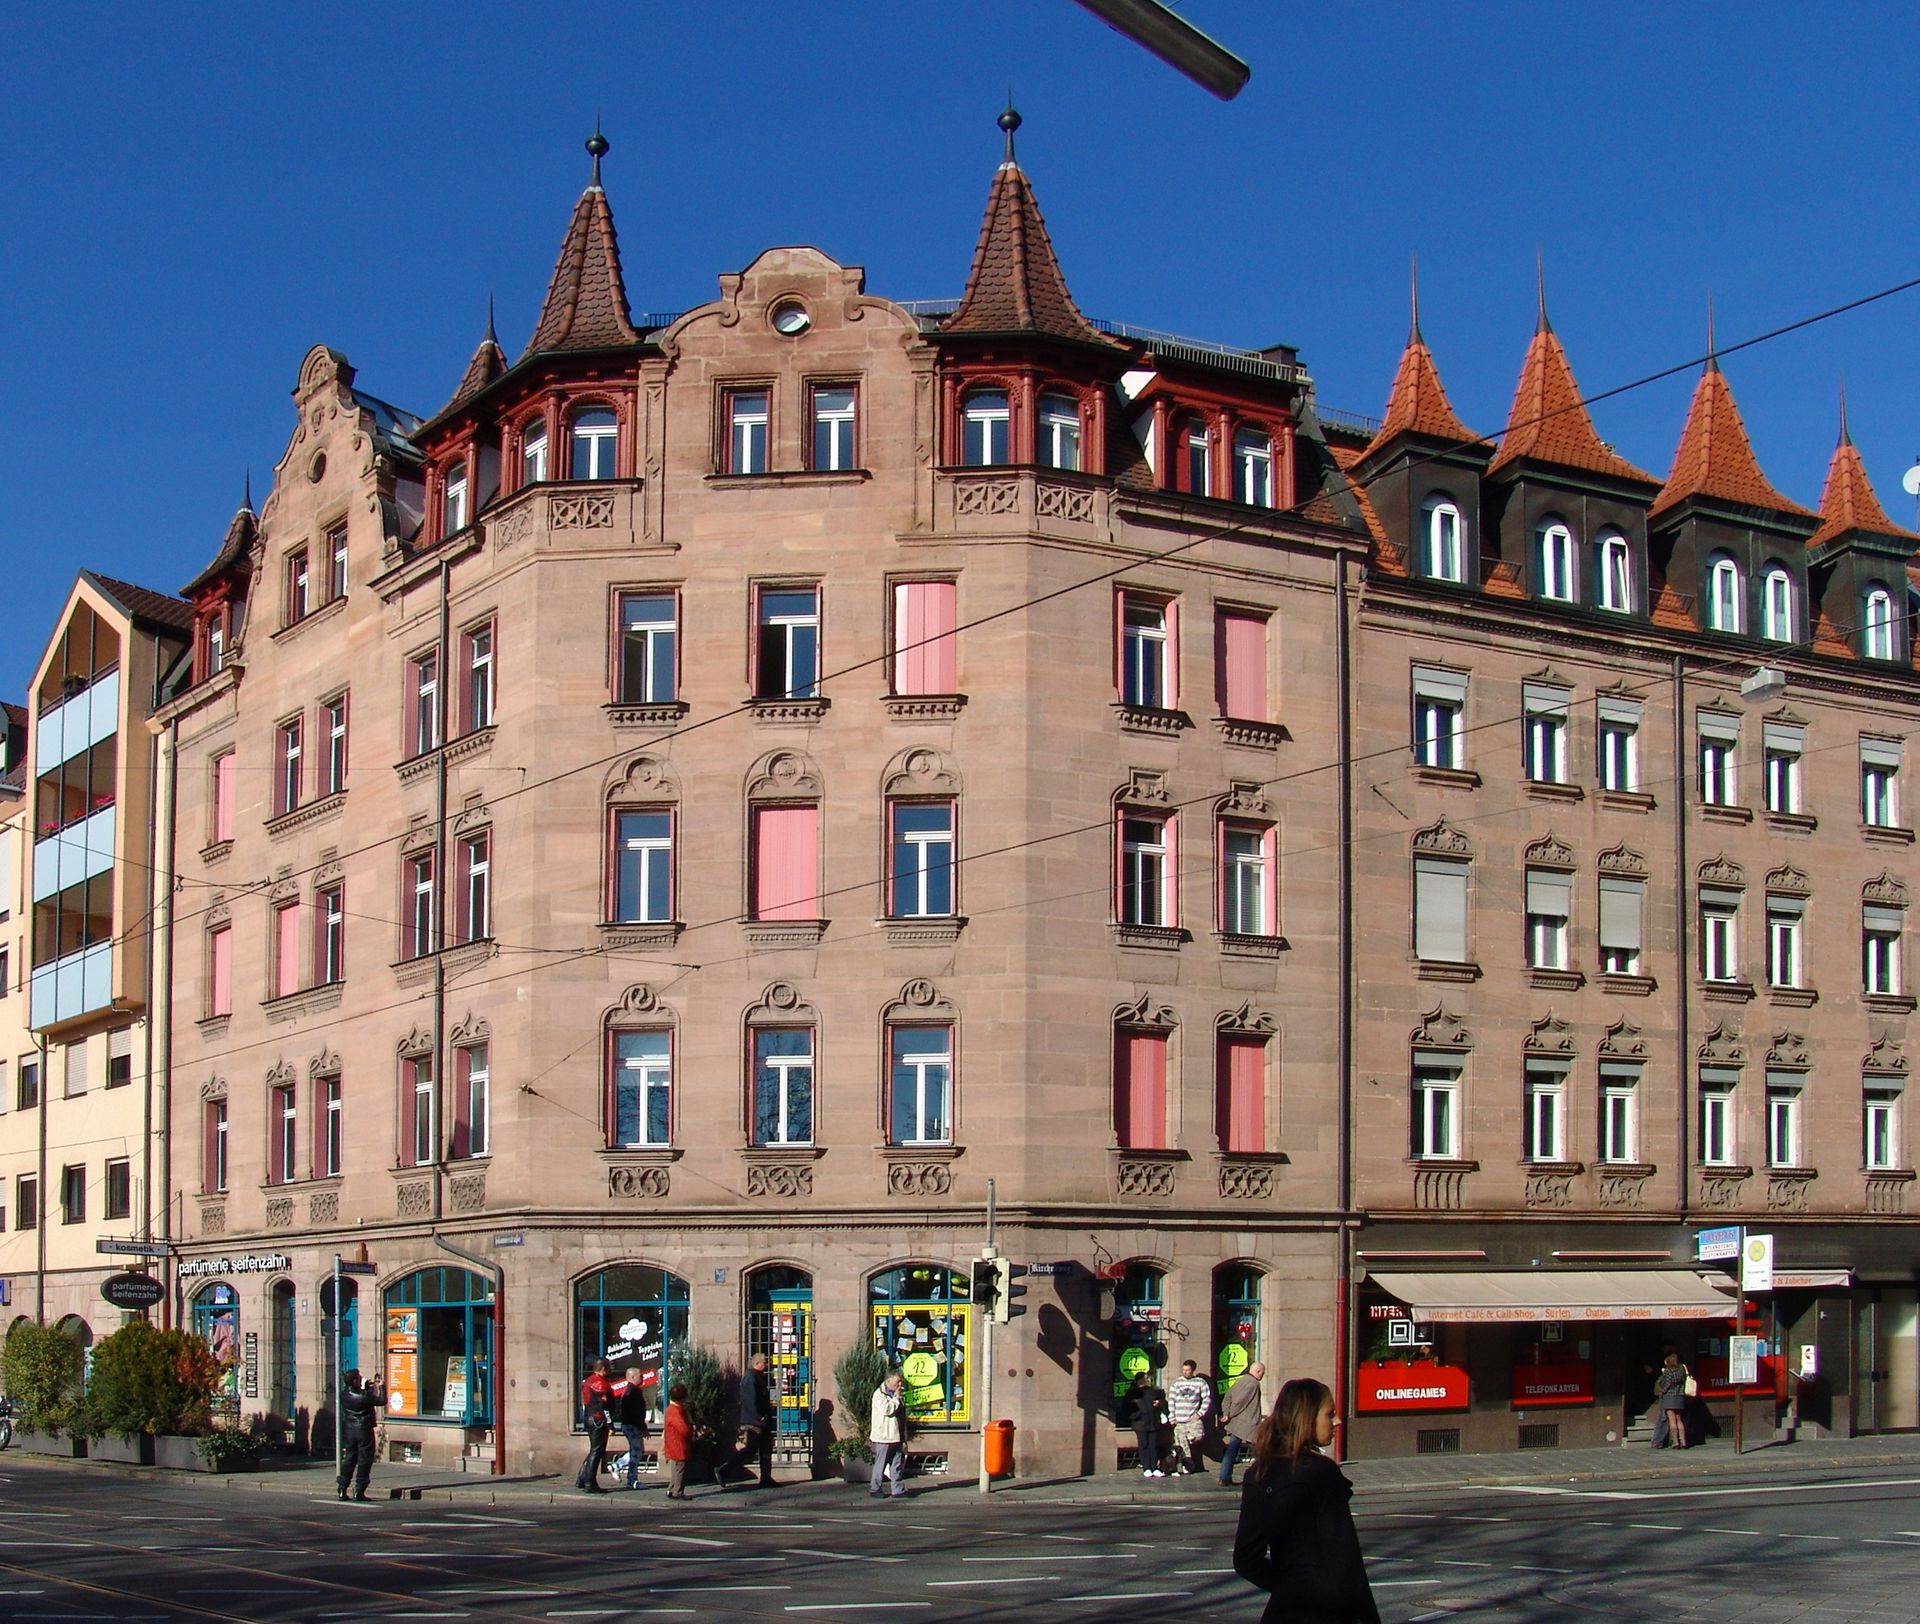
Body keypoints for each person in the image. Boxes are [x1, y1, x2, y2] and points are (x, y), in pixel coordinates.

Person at [1233, 1377, 1379, 1624]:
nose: (1337, 1421)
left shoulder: (1259, 1473)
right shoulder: (1321, 1472)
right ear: (1307, 1418)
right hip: (1327, 1611)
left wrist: (1288, 1587)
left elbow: (1246, 1559)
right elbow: (1345, 1559)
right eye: (1329, 1414)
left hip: (1283, 1612)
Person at [337, 1366, 385, 1502]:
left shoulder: (344, 1394)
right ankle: (359, 1490)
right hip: (363, 1429)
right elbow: (381, 1401)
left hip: (350, 1430)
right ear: (353, 1381)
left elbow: (363, 1397)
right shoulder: (362, 1397)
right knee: (364, 1459)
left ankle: (342, 1487)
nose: (360, 1380)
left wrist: (366, 1388)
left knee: (350, 1458)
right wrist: (382, 1387)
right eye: (358, 1379)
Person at [1218, 1360, 1266, 1486]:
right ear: (1258, 1371)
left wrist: (1226, 1412)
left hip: (1237, 1423)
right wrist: (1229, 1414)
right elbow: (1240, 1402)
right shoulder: (1253, 1383)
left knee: (1232, 1449)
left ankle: (1225, 1477)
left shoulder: (1241, 1380)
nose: (1263, 1376)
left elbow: (1228, 1396)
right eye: (1263, 1373)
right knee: (1261, 1449)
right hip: (1248, 1423)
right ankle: (1260, 1476)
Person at [731, 1352, 775, 1488]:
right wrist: (759, 1417)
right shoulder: (750, 1378)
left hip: (762, 1420)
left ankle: (766, 1478)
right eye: (764, 1362)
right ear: (757, 1364)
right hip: (755, 1422)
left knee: (766, 1449)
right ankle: (724, 1469)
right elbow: (750, 1401)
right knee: (751, 1449)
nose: (767, 1364)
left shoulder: (758, 1376)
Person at [1168, 1358, 1214, 1476]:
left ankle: (1186, 1464)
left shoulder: (1200, 1382)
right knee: (1182, 1443)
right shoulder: (1177, 1383)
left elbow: (1207, 1399)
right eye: (1183, 1370)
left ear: (1193, 1370)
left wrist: (1199, 1413)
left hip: (1192, 1419)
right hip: (1179, 1420)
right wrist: (1172, 1417)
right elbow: (1171, 1400)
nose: (1185, 1372)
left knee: (1197, 1436)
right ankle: (1187, 1465)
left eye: (1188, 1370)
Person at [1123, 1369, 1169, 1478]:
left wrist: (1159, 1403)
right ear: (1140, 1380)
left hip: (1153, 1422)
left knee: (1153, 1445)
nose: (1148, 1379)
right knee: (1144, 1445)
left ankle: (1154, 1467)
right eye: (1146, 1378)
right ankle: (1146, 1467)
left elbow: (1163, 1403)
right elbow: (1126, 1409)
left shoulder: (1153, 1390)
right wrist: (1137, 1416)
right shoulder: (1132, 1393)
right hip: (1140, 1423)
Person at [869, 1370, 908, 1499]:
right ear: (888, 1381)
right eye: (897, 1382)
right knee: (880, 1464)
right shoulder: (879, 1395)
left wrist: (904, 1438)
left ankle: (897, 1490)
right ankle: (875, 1488)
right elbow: (888, 1410)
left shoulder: (898, 1395)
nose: (900, 1384)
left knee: (896, 1465)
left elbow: (902, 1416)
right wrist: (896, 1399)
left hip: (896, 1436)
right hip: (883, 1436)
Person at [576, 1358, 613, 1492]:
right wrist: (610, 1424)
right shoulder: (600, 1384)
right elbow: (605, 1406)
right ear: (603, 1368)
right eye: (608, 1367)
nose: (611, 1369)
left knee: (593, 1450)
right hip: (598, 1420)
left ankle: (581, 1478)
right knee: (597, 1451)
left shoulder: (588, 1381)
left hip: (589, 1418)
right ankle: (590, 1482)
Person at [615, 1366, 650, 1489]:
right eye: (640, 1375)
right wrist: (642, 1426)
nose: (643, 1377)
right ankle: (631, 1479)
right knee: (636, 1452)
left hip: (630, 1425)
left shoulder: (630, 1390)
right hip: (632, 1426)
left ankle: (618, 1466)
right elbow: (636, 1412)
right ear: (632, 1377)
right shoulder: (632, 1391)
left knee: (637, 1451)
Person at [1655, 1349, 1691, 1449]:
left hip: (1669, 1398)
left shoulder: (1668, 1371)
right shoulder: (1682, 1369)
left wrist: (1661, 1389)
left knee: (1672, 1420)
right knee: (1679, 1419)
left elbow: (1666, 1385)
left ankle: (1675, 1442)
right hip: (1680, 1396)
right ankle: (1683, 1441)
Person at [661, 1382, 692, 1499]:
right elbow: (683, 1429)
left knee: (676, 1467)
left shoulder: (672, 1408)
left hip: (674, 1443)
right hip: (678, 1443)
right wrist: (690, 1430)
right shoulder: (675, 1411)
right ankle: (677, 1491)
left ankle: (671, 1489)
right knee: (680, 1467)